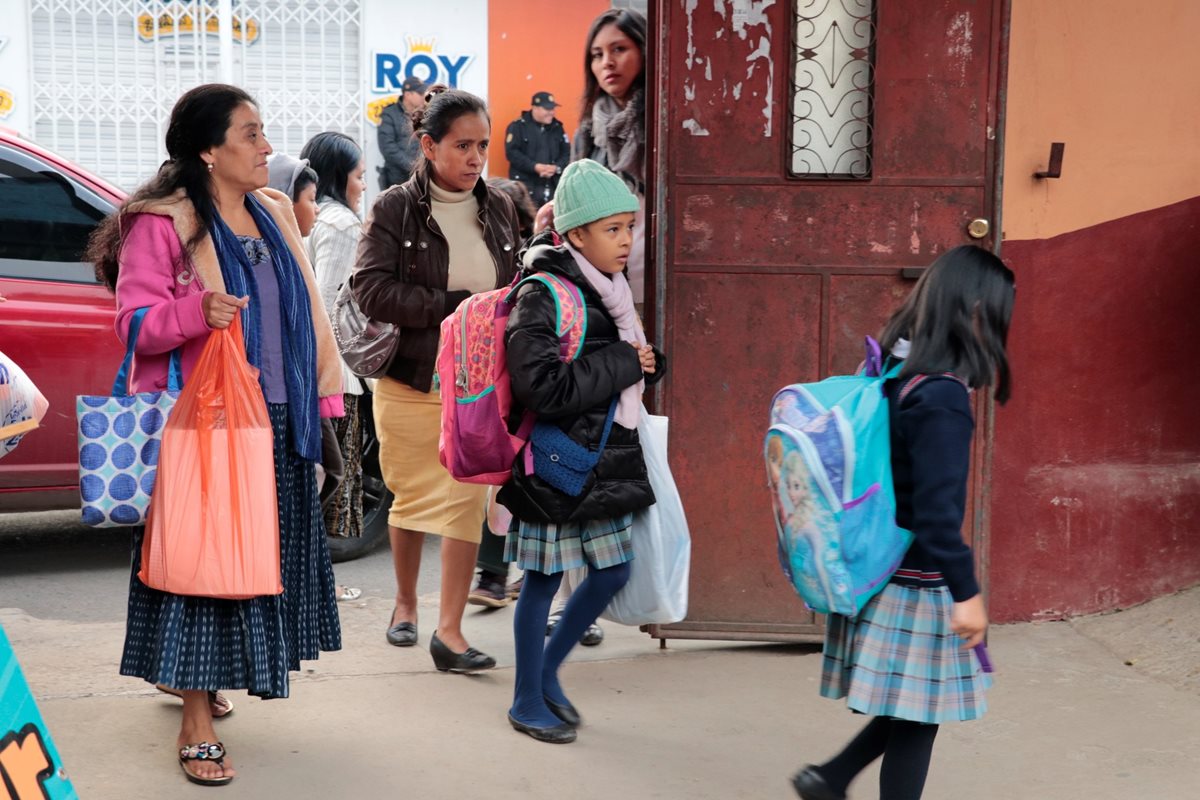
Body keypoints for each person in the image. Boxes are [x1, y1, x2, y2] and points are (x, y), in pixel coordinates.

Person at [87, 83, 345, 787]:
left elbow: (309, 315)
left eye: (264, 133)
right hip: (206, 425)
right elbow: (133, 325)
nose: (267, 147)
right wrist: (195, 310)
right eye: (251, 133)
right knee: (203, 570)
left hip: (280, 414)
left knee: (249, 568)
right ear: (208, 149)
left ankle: (192, 680)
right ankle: (195, 720)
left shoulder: (271, 212)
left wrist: (325, 406)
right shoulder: (162, 223)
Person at [791, 245, 1014, 800]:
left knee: (910, 708)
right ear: (976, 314)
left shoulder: (899, 372)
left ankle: (831, 777)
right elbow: (937, 516)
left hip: (884, 566)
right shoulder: (942, 398)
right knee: (917, 718)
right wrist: (967, 593)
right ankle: (832, 777)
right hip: (919, 578)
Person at [498, 158, 666, 744]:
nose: (626, 241)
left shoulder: (611, 290)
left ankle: (546, 674)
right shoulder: (542, 293)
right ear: (574, 234)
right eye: (612, 229)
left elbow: (626, 358)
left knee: (614, 569)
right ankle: (526, 698)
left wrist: (645, 362)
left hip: (601, 456)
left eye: (629, 227)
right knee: (542, 578)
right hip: (556, 461)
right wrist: (626, 362)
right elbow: (541, 387)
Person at [353, 85, 521, 673]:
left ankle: (448, 632)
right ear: (427, 145)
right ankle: (405, 603)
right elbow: (368, 288)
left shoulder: (498, 205)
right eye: (462, 145)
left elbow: (517, 278)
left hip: (476, 383)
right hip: (411, 377)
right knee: (410, 495)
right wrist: (452, 305)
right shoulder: (395, 208)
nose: (476, 158)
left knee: (465, 500)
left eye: (483, 145)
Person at [535, 6, 649, 646]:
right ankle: (571, 597)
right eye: (597, 53)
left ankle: (603, 585)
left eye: (620, 50)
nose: (608, 63)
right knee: (583, 434)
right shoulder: (588, 132)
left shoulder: (659, 129)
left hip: (639, 290)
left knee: (621, 440)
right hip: (590, 300)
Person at [267, 149, 363, 604]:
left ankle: (303, 578)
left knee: (322, 476)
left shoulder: (291, 242)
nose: (316, 209)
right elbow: (324, 307)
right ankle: (296, 579)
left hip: (310, 383)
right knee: (321, 476)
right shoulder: (292, 244)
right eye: (307, 199)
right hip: (303, 385)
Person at [300, 132, 368, 550]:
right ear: (340, 176)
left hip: (309, 367)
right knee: (335, 485)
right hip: (335, 373)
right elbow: (327, 303)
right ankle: (323, 582)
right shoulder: (342, 224)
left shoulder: (301, 213)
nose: (362, 186)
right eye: (359, 176)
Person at [504, 91, 570, 205]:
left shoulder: (558, 127)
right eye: (547, 109)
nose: (552, 113)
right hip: (525, 189)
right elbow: (512, 153)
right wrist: (534, 167)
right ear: (535, 108)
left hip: (552, 188)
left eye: (553, 109)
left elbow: (567, 152)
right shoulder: (517, 127)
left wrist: (557, 167)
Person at [377, 76, 427, 190]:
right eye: (420, 94)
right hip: (396, 180)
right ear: (408, 95)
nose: (423, 97)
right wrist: (412, 166)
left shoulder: (424, 114)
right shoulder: (389, 114)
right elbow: (388, 148)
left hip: (421, 180)